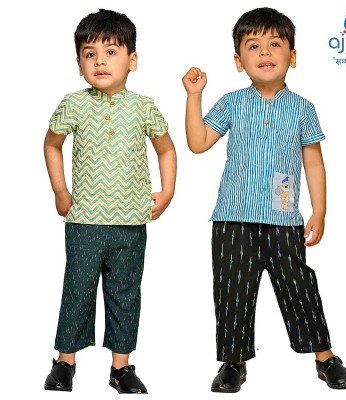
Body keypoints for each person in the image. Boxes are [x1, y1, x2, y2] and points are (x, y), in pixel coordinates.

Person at [182, 7, 346, 393]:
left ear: (292, 56)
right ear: (238, 60)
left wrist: (320, 210)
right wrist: (194, 96)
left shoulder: (303, 108)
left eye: (275, 44)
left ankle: (325, 357)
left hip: (283, 218)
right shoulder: (231, 102)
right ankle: (233, 361)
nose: (264, 52)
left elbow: (313, 162)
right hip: (233, 217)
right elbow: (197, 142)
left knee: (299, 286)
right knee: (232, 291)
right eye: (253, 45)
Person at [44, 9, 176, 394]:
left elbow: (166, 149)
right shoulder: (73, 104)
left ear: (132, 60)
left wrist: (167, 190)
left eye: (111, 52)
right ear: (79, 64)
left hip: (131, 223)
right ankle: (65, 362)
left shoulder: (144, 106)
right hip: (84, 221)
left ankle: (121, 367)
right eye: (90, 54)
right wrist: (60, 191)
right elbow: (52, 144)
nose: (100, 61)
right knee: (78, 291)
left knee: (125, 294)